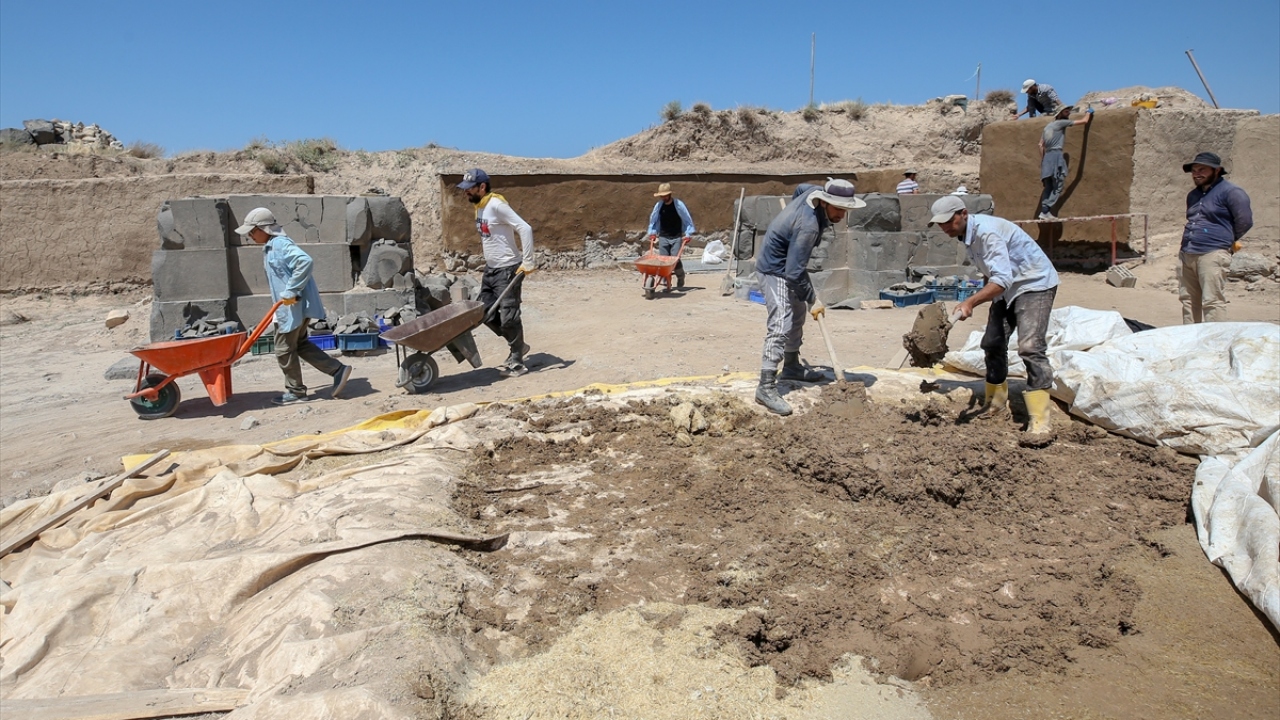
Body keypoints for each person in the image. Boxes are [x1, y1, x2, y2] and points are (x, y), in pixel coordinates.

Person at [928, 196, 1060, 437]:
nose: (945, 227)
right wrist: (980, 299)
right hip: (1007, 286)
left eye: (948, 221)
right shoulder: (967, 235)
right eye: (940, 224)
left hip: (1034, 283)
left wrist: (971, 301)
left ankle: (1041, 422)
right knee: (992, 342)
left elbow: (1002, 278)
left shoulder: (987, 233)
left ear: (963, 213)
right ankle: (996, 404)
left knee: (1030, 347)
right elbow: (994, 272)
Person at [753, 179, 866, 416]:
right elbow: (793, 273)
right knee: (781, 322)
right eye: (838, 209)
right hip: (774, 269)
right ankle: (765, 387)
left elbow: (800, 188)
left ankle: (792, 366)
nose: (841, 215)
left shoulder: (813, 192)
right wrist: (813, 298)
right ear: (825, 203)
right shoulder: (809, 227)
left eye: (845, 209)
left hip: (790, 266)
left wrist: (790, 216)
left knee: (797, 314)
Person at [236, 208, 352, 405]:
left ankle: (296, 392)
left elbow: (305, 261)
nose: (250, 235)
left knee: (283, 348)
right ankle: (337, 370)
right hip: (291, 307)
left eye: (253, 231)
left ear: (264, 228)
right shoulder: (271, 246)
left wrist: (291, 291)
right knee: (300, 344)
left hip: (292, 307)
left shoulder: (280, 244)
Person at [457, 168, 535, 376]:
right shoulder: (480, 207)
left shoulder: (497, 205)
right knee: (484, 314)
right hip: (491, 270)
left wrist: (527, 261)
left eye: (469, 189)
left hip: (508, 268)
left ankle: (517, 361)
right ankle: (518, 344)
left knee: (509, 317)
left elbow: (525, 228)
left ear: (482, 187)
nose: (466, 193)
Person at [1179, 151, 1253, 323]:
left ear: (1217, 170)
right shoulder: (1193, 195)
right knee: (1188, 301)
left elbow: (1245, 221)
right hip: (1187, 252)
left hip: (1212, 254)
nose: (1197, 173)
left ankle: (1214, 343)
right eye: (1194, 170)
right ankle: (1190, 340)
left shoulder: (1232, 192)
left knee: (1212, 300)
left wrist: (1224, 239)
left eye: (1202, 169)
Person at [1037, 106, 1093, 220]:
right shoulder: (1061, 123)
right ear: (1060, 113)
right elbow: (1084, 121)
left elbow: (1040, 145)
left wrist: (1044, 161)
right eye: (1066, 111)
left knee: (1048, 187)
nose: (1068, 113)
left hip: (1047, 157)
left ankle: (1044, 211)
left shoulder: (1047, 127)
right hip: (1056, 156)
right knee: (1058, 185)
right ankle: (1046, 210)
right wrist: (1088, 112)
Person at [646, 182, 695, 288]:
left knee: (674, 260)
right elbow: (653, 220)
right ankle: (666, 280)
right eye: (661, 196)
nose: (663, 198)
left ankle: (680, 276)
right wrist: (652, 233)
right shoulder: (659, 206)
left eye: (665, 195)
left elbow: (687, 219)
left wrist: (688, 233)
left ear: (669, 194)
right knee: (664, 260)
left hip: (676, 236)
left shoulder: (678, 205)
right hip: (663, 236)